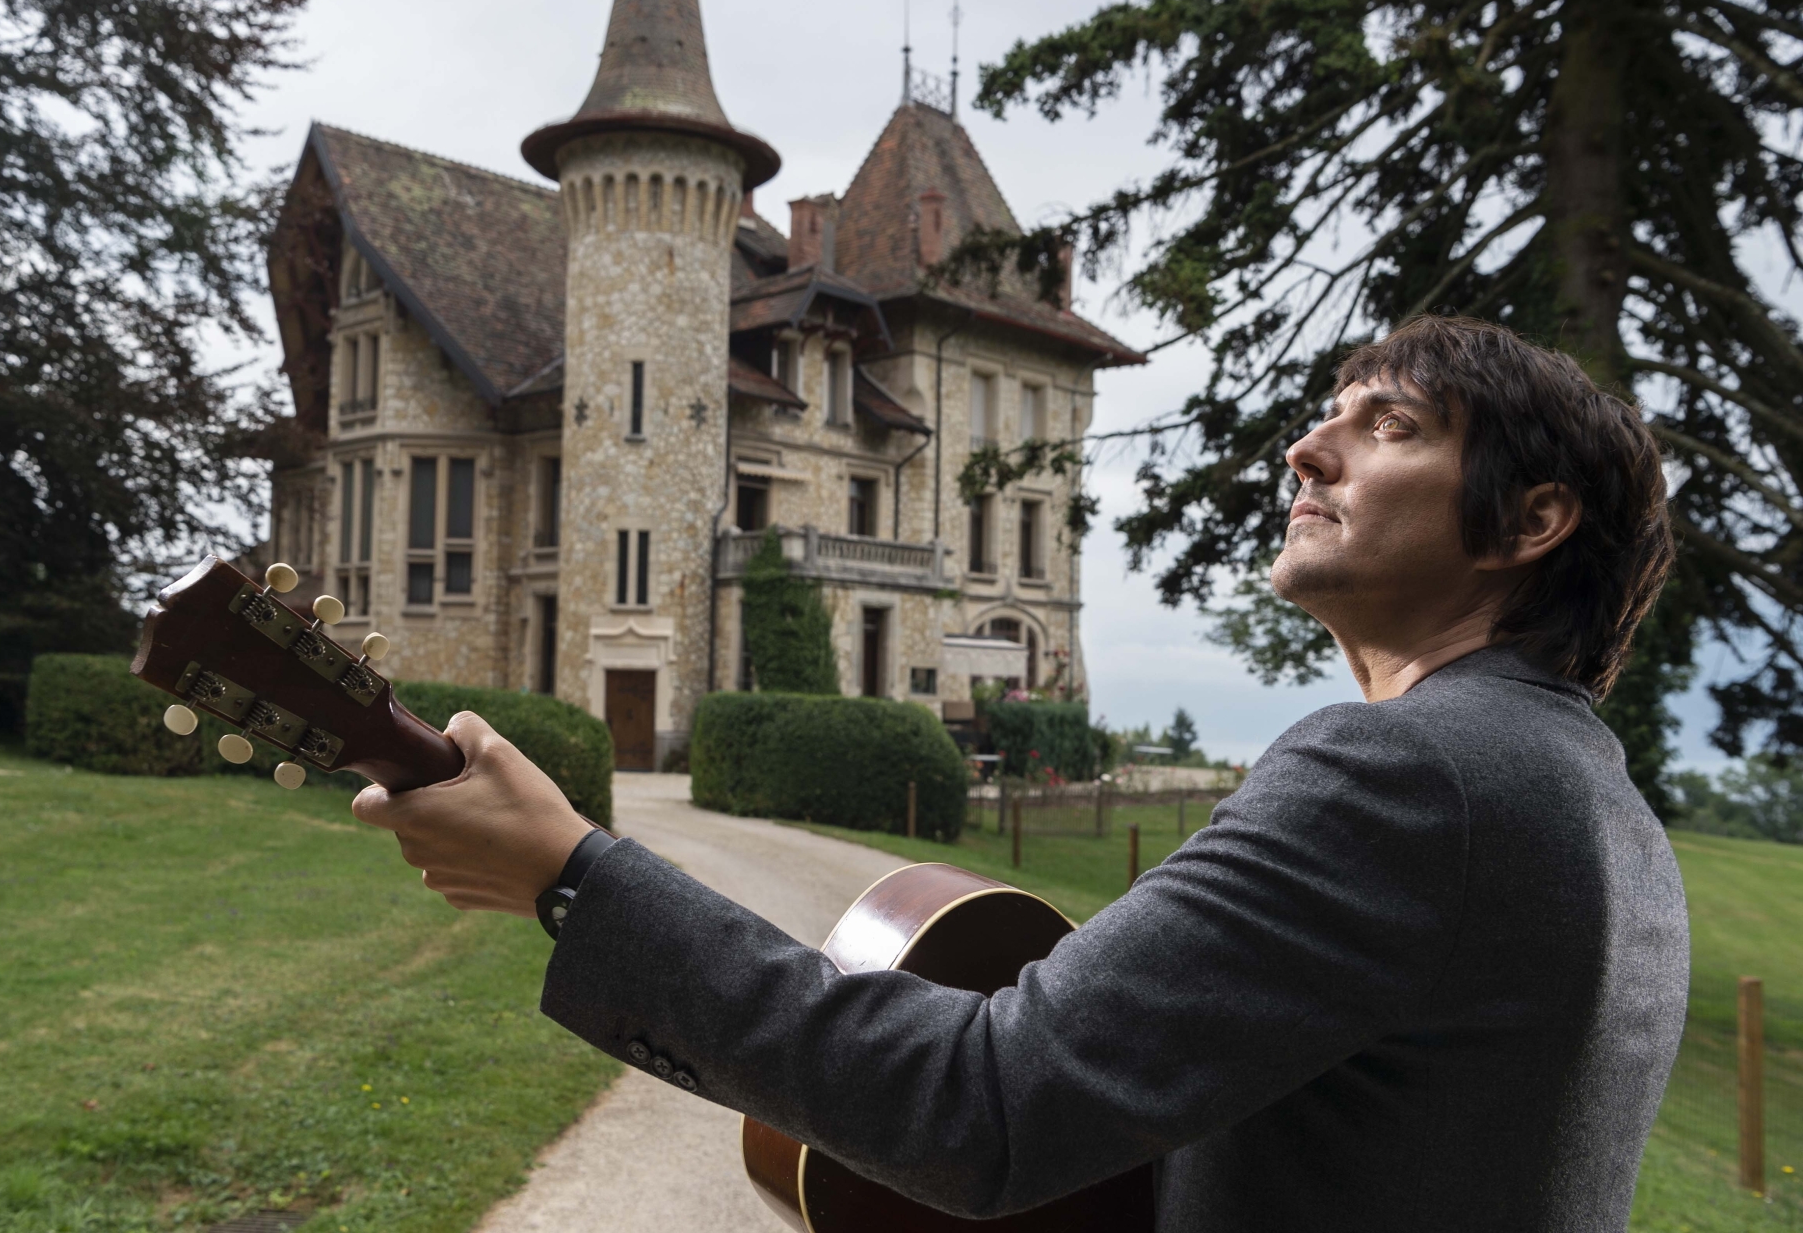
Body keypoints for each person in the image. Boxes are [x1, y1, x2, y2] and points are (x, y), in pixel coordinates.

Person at [353, 316, 1688, 1232]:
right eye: (1322, 415)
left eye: (1386, 425)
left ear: (1531, 518)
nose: (1306, 449)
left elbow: (980, 1102)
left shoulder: (1410, 772)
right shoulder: (1602, 806)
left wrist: (572, 872)